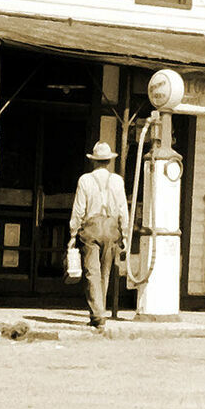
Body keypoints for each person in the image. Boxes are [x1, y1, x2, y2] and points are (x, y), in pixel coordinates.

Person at [68, 140, 130, 329]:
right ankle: (99, 312)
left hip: (92, 227)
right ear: (109, 162)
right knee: (105, 272)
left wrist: (73, 234)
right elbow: (122, 209)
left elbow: (78, 210)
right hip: (111, 227)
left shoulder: (85, 180)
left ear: (94, 161)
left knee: (92, 272)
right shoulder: (117, 180)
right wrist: (125, 234)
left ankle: (97, 314)